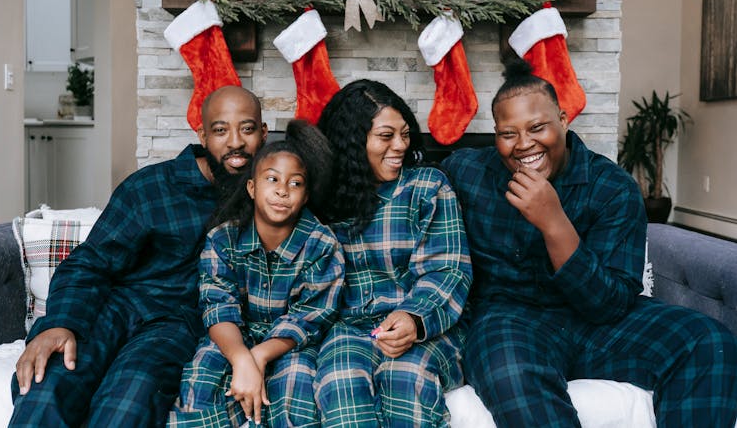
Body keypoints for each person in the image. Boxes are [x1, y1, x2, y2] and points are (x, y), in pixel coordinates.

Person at [441, 59, 737, 427]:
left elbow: (610, 304)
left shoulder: (612, 187)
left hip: (597, 322)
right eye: (508, 133)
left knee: (707, 340)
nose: (523, 144)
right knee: (510, 372)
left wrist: (555, 224)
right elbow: (409, 190)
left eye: (537, 127)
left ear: (564, 120)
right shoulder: (467, 171)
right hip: (509, 318)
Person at [10, 85, 268, 427]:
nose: (235, 142)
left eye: (247, 129)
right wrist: (60, 323)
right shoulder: (151, 188)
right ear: (202, 135)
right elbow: (91, 262)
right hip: (116, 307)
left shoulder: (270, 195)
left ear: (263, 134)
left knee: (128, 400)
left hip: (176, 325)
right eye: (221, 130)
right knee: (48, 382)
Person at [313, 79, 472, 427]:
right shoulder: (324, 198)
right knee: (339, 380)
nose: (400, 145)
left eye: (404, 134)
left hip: (428, 328)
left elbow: (448, 270)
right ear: (354, 143)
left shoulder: (427, 187)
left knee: (406, 376)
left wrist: (414, 319)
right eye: (386, 136)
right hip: (352, 330)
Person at [168, 119, 345, 427]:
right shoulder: (223, 239)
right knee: (202, 376)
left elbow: (310, 316)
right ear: (252, 187)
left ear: (305, 196)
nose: (282, 191)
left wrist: (259, 357)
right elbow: (218, 306)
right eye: (272, 180)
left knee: (295, 390)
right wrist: (241, 359)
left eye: (295, 183)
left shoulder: (322, 244)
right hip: (233, 336)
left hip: (291, 344)